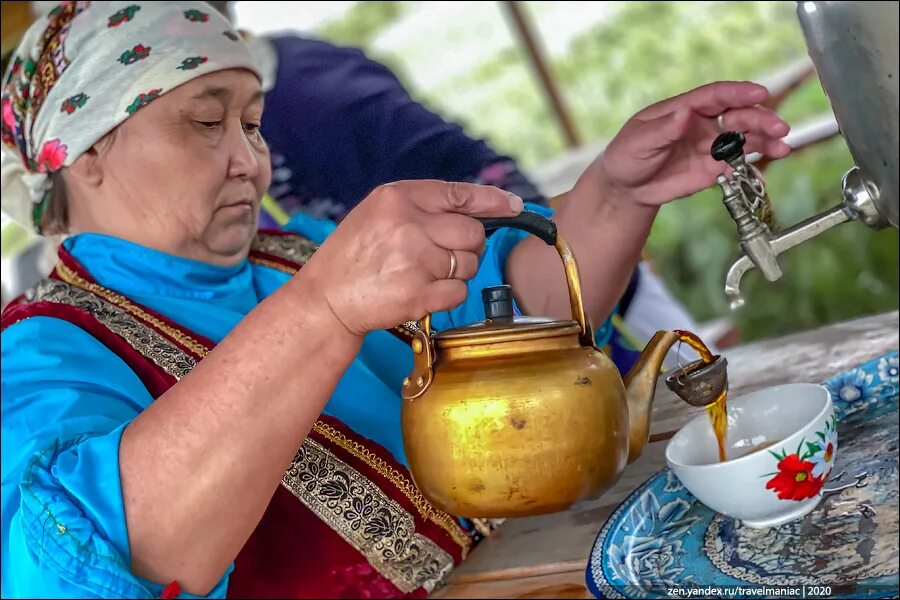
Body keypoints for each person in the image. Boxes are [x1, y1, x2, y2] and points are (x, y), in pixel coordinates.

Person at [0, 2, 790, 598]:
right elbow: (79, 557)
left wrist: (619, 192)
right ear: (88, 151)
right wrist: (323, 311)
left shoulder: (294, 255)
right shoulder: (43, 349)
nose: (247, 159)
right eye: (206, 123)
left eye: (252, 122)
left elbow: (520, 307)